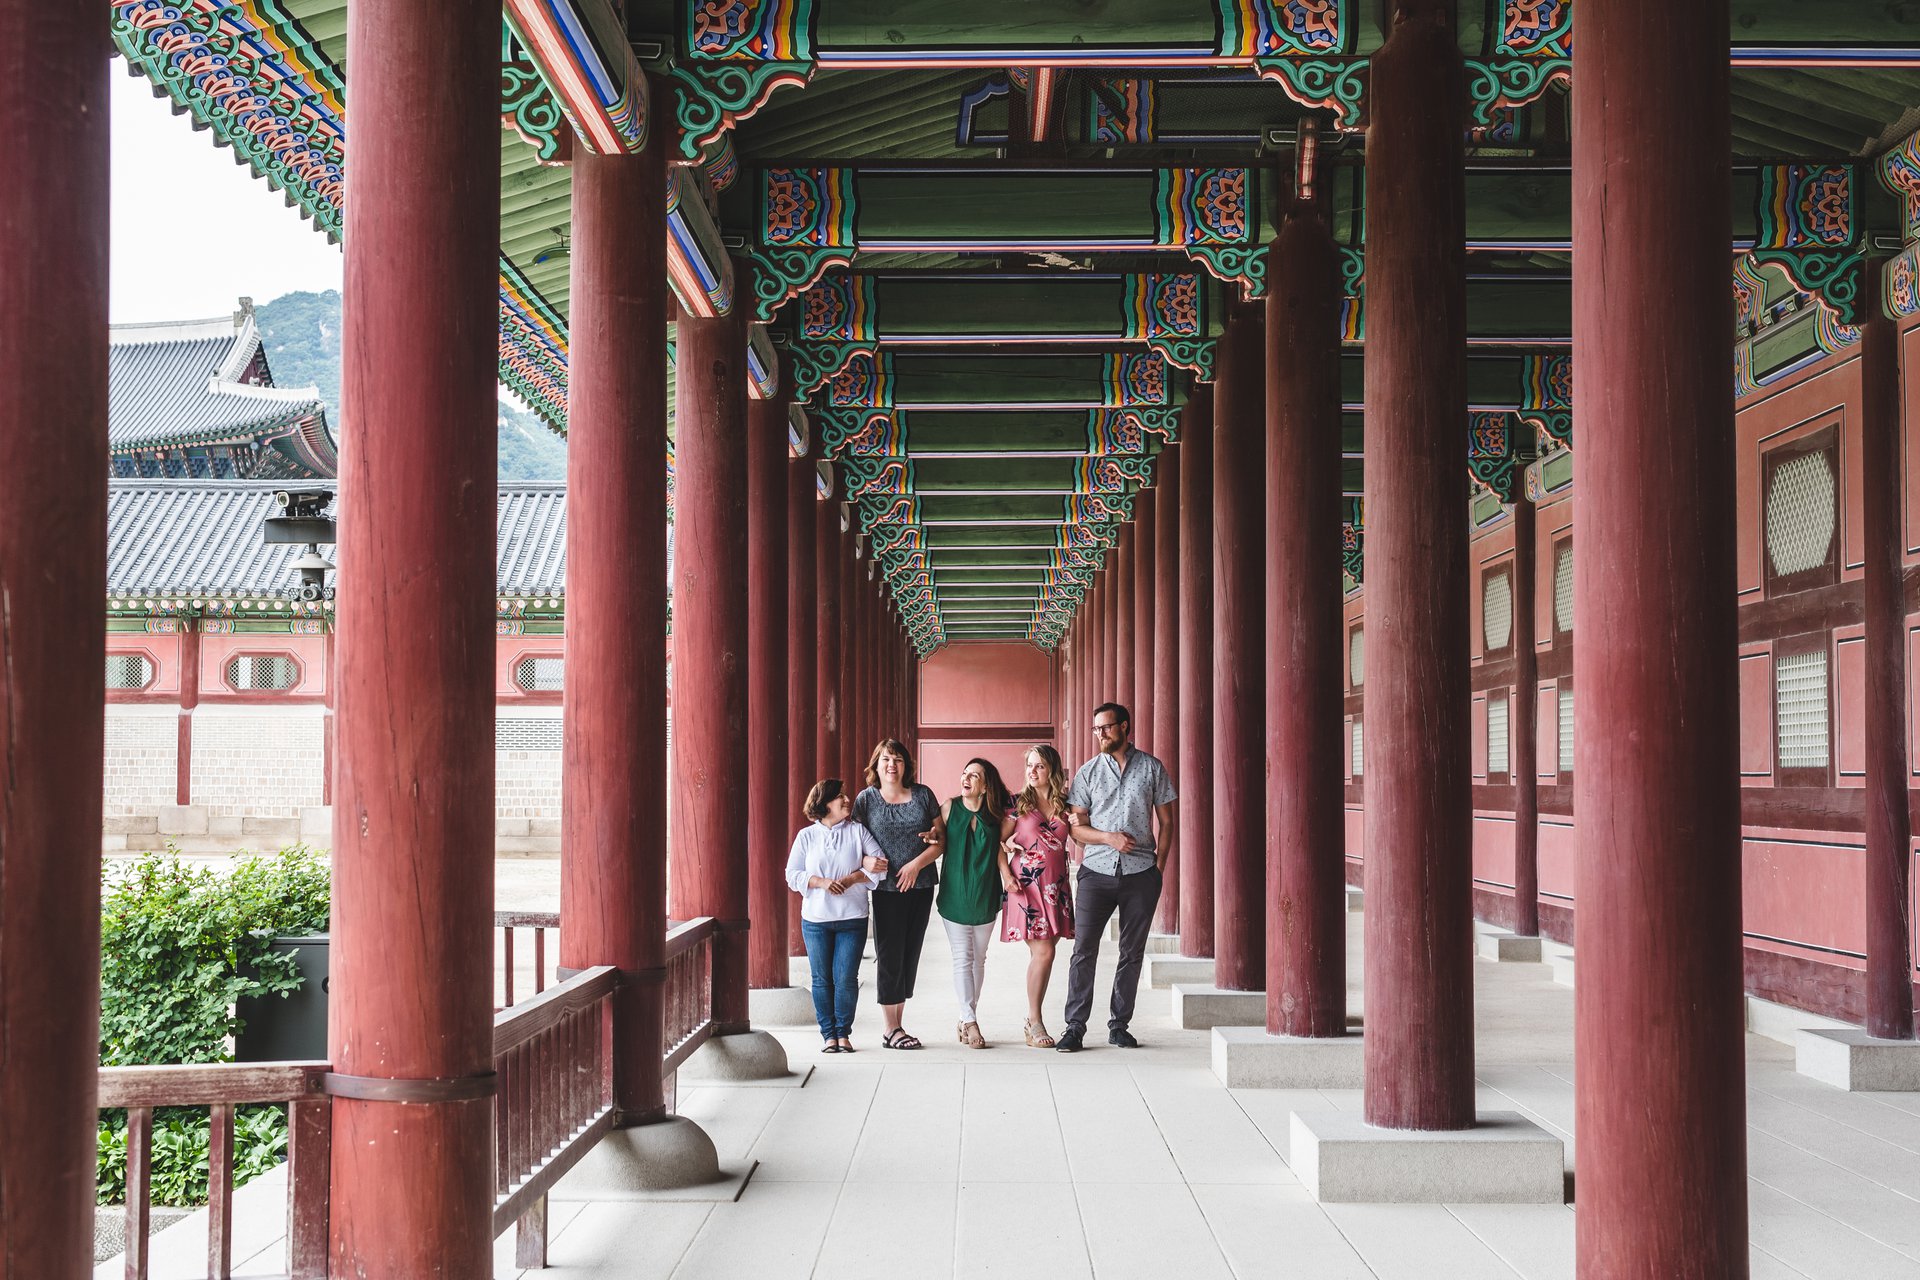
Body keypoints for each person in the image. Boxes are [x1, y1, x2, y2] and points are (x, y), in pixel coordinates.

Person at [1059, 702, 1176, 1052]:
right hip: (1096, 872)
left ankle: (1119, 1025)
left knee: (1132, 952)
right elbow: (1077, 830)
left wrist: (1158, 870)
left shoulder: (1152, 768)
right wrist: (1108, 838)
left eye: (1106, 727)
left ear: (1124, 727)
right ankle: (1075, 1027)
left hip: (1141, 874)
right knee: (1083, 950)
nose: (1100, 734)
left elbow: (1167, 822)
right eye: (1096, 729)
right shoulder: (1088, 773)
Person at [851, 738, 944, 1050]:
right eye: (886, 759)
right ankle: (891, 1028)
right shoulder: (866, 799)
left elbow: (941, 841)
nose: (892, 765)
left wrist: (916, 865)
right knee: (889, 954)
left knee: (909, 953)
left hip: (920, 885)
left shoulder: (923, 795)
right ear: (876, 765)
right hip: (886, 888)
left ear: (906, 765)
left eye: (898, 760)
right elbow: (852, 842)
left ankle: (898, 1023)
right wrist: (865, 861)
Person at [785, 778, 888, 1052]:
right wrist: (820, 882)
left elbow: (882, 866)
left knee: (846, 978)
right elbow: (791, 874)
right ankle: (828, 1035)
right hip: (815, 920)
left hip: (852, 918)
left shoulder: (858, 832)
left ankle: (843, 1033)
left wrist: (854, 877)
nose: (846, 799)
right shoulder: (806, 836)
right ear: (824, 803)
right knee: (821, 979)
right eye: (839, 796)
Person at [999, 744, 1074, 1048]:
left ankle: (1033, 1018)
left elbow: (1080, 835)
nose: (1032, 771)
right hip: (1026, 886)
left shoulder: (1066, 805)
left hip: (1056, 887)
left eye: (1039, 765)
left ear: (1051, 770)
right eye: (1029, 765)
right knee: (1044, 953)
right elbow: (998, 842)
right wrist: (1006, 875)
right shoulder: (1017, 804)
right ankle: (1034, 1021)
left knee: (1043, 953)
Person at [935, 758, 1011, 1049]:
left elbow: (1001, 847)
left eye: (974, 776)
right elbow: (936, 837)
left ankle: (966, 1017)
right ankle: (970, 1021)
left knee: (979, 959)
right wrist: (930, 837)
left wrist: (1008, 872)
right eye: (964, 773)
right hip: (955, 893)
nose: (966, 779)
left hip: (985, 893)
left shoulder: (997, 815)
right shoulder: (948, 807)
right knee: (962, 958)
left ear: (986, 786)